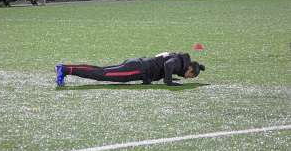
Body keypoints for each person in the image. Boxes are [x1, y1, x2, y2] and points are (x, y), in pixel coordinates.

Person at [55, 52, 205, 87]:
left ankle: (65, 68)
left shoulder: (178, 59)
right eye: (190, 76)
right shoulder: (178, 62)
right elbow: (167, 65)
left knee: (100, 70)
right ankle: (65, 70)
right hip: (136, 70)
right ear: (190, 68)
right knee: (101, 75)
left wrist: (169, 78)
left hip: (136, 65)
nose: (186, 78)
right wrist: (168, 81)